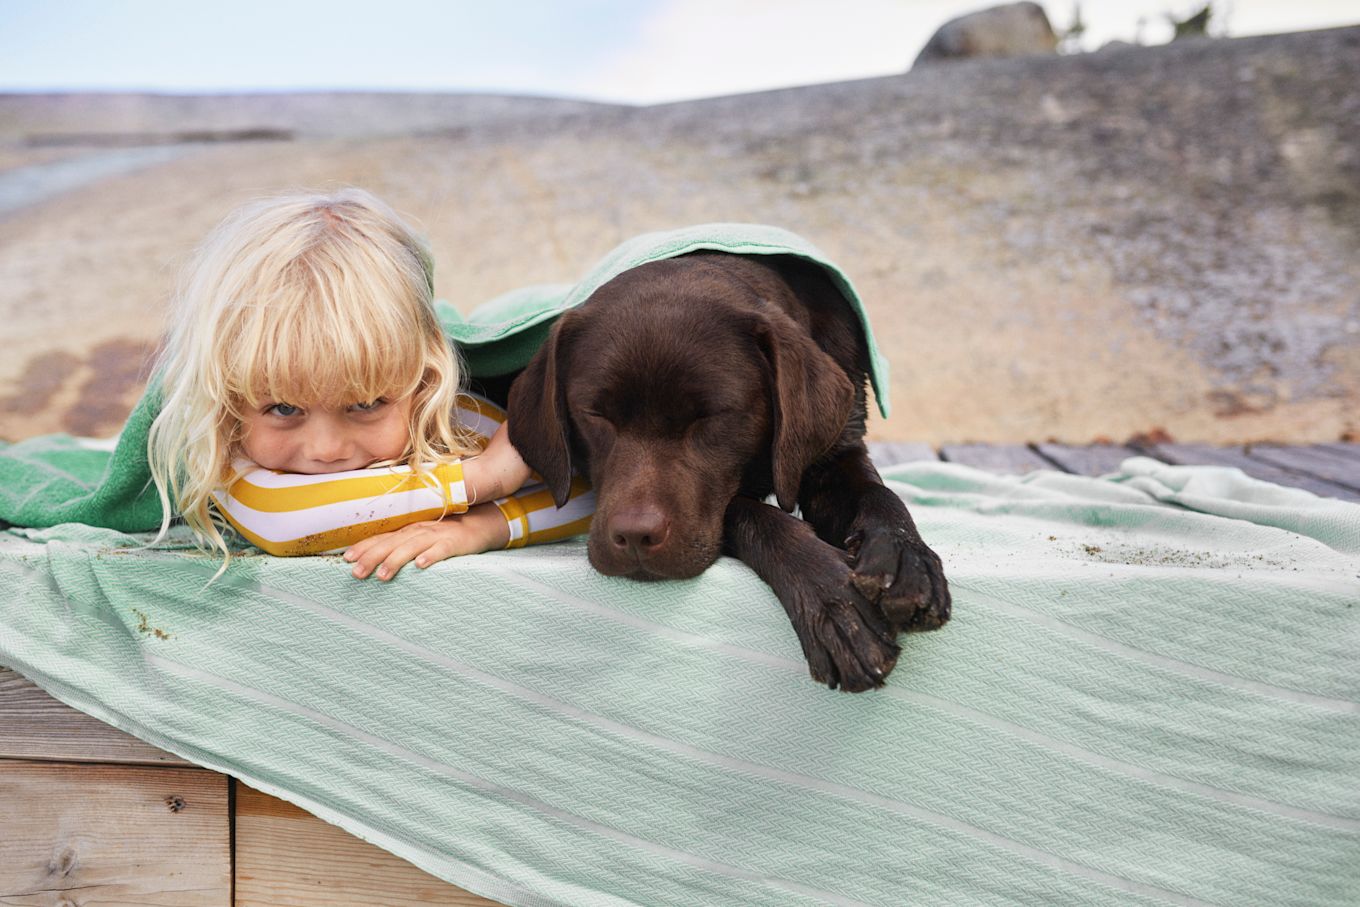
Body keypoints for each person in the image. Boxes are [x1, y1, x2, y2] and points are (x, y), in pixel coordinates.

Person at [145, 188, 592, 580]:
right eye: (283, 409)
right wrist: (485, 478)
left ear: (422, 379)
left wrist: (482, 528)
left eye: (364, 405)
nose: (326, 449)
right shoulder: (219, 425)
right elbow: (276, 519)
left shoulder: (447, 415)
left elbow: (592, 490)